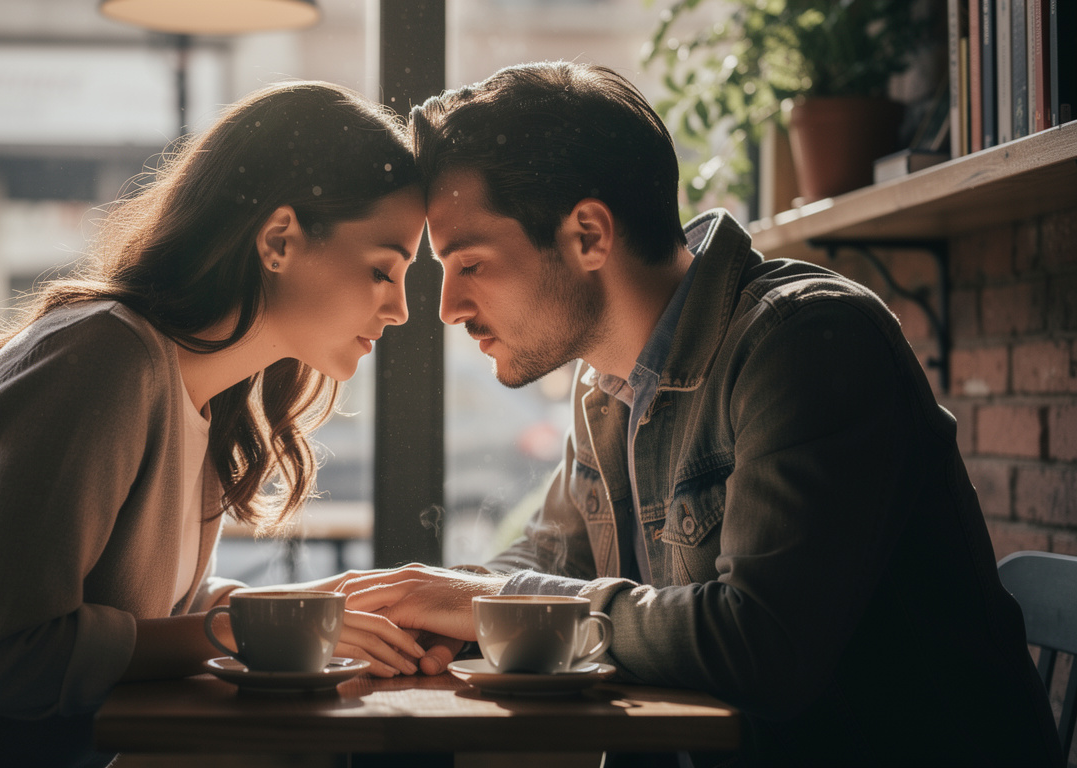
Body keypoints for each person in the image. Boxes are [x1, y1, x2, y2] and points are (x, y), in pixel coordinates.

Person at [338, 62, 1063, 767]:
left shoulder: (806, 340)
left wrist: (489, 601)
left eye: (470, 263)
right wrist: (435, 616)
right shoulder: (606, 385)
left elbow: (761, 645)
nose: (448, 308)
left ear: (588, 234)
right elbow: (549, 561)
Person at [0, 81, 428, 768]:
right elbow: (2, 662)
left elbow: (147, 609)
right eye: (385, 270)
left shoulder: (200, 396)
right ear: (280, 239)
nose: (401, 310)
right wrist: (232, 629)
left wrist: (299, 612)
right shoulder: (101, 355)